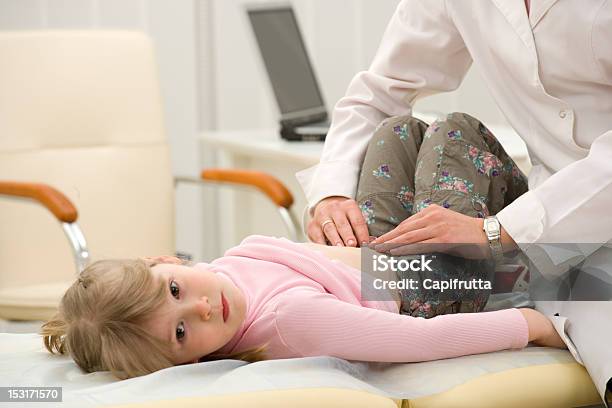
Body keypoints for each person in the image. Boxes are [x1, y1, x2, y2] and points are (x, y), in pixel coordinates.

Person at [296, 0, 612, 270]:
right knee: (400, 134)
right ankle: (370, 287)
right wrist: (331, 195)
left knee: (454, 134)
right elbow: (381, 90)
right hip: (538, 219)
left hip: (574, 231)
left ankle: (383, 293)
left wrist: (496, 233)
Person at [41, 235, 565, 379]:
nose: (201, 309)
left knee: (399, 134)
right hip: (424, 293)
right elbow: (416, 341)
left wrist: (382, 240)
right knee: (453, 142)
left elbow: (325, 257)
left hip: (382, 260)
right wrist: (530, 325)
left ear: (163, 259)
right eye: (180, 334)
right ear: (188, 363)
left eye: (175, 290)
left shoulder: (234, 260)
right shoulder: (288, 323)